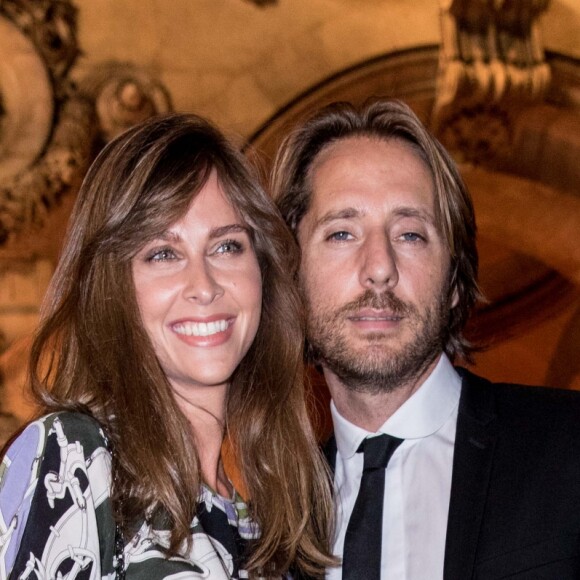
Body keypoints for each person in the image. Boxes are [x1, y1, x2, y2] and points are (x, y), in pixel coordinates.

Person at [0, 113, 336, 579]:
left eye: (227, 247)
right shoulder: (74, 458)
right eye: (163, 253)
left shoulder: (274, 523)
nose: (204, 285)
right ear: (112, 287)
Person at [270, 99, 580, 579]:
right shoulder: (274, 527)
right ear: (293, 279)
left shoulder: (567, 448)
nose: (379, 268)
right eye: (341, 234)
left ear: (455, 282)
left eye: (410, 235)